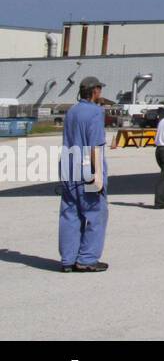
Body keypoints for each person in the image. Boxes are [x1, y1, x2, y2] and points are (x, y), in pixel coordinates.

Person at [58, 76, 110, 272]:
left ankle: (68, 259)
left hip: (68, 165)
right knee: (97, 213)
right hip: (87, 165)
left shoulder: (72, 111)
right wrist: (97, 177)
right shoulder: (95, 113)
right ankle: (87, 259)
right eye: (100, 90)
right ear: (95, 91)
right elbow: (95, 145)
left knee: (69, 213)